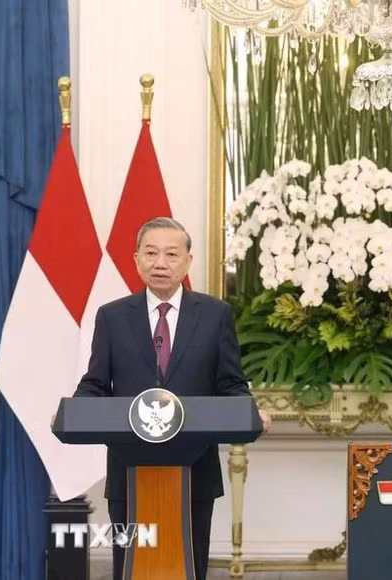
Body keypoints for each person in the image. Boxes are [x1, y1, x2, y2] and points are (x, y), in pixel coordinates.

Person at [74, 216, 271, 580]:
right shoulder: (113, 317)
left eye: (170, 254)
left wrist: (248, 411)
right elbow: (95, 383)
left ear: (187, 261)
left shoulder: (215, 315)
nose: (160, 263)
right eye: (150, 253)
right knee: (129, 568)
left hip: (194, 472)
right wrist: (75, 410)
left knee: (189, 567)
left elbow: (231, 383)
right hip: (129, 473)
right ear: (136, 259)